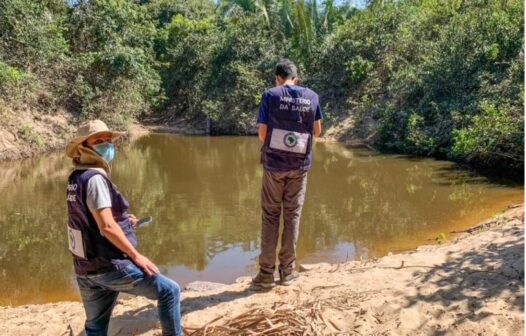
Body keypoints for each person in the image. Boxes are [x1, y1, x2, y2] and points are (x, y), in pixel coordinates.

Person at [65, 119, 181, 336]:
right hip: (111, 266)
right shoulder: (96, 178)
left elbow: (87, 219)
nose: (107, 144)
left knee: (95, 326)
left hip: (85, 267)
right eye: (98, 141)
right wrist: (137, 257)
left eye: (108, 140)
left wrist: (123, 220)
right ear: (84, 147)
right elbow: (106, 226)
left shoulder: (75, 177)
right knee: (170, 292)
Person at [252, 59, 322, 290]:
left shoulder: (270, 95)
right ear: (296, 78)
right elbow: (317, 131)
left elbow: (262, 134)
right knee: (292, 215)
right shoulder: (312, 96)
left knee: (271, 216)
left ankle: (265, 274)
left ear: (278, 78)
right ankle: (287, 272)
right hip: (300, 166)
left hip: (274, 166)